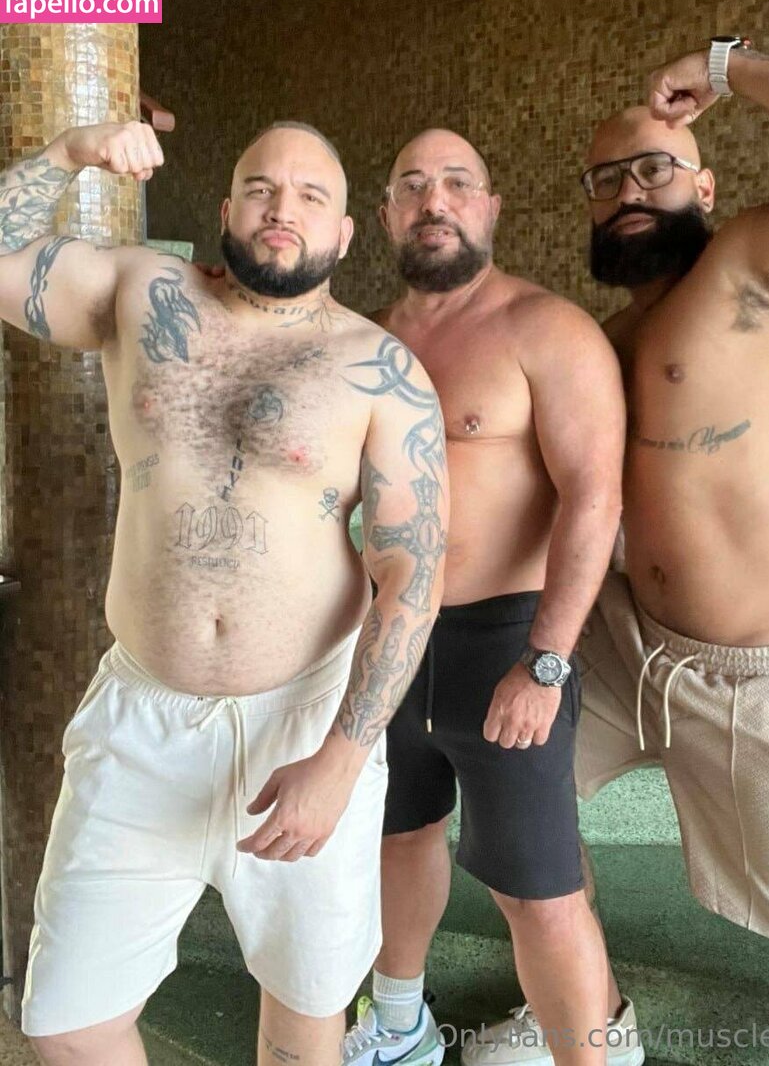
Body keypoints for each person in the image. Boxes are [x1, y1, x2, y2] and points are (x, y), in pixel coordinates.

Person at [0, 118, 448, 1066]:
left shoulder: (381, 371)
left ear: (345, 234)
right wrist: (72, 153)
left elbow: (411, 571)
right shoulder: (142, 292)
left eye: (310, 196)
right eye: (260, 189)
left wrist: (341, 760)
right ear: (226, 208)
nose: (282, 209)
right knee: (66, 1024)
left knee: (304, 1011)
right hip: (141, 721)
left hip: (304, 720)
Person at [570, 41, 769, 1065]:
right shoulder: (607, 341)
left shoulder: (756, 265)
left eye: (651, 167)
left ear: (703, 187)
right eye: (605, 178)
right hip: (632, 645)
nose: (627, 190)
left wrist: (724, 65)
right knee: (515, 806)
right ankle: (586, 1012)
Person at [339, 128, 629, 1066]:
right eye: (412, 185)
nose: (435, 201)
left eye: (457, 183)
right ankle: (399, 1025)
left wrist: (544, 664)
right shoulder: (362, 339)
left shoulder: (546, 330)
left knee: (536, 888)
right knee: (398, 837)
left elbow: (594, 499)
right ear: (385, 214)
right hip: (385, 637)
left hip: (505, 640)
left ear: (490, 207)